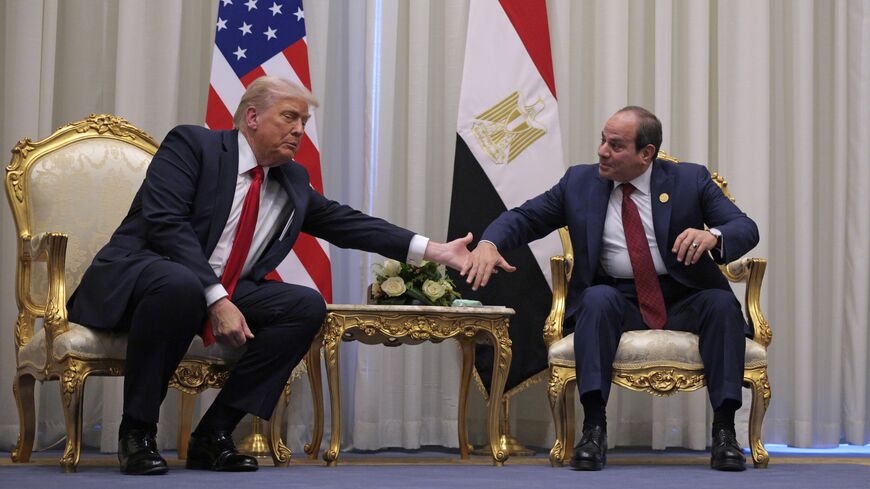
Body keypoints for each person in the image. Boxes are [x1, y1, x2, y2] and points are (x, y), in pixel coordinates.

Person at [67, 76, 471, 475]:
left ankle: (215, 434)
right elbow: (166, 225)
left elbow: (346, 223)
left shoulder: (291, 179)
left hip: (215, 290)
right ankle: (137, 432)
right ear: (253, 117)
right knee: (181, 284)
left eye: (304, 124)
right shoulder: (194, 146)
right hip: (145, 279)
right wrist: (217, 298)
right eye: (290, 118)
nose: (298, 130)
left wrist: (433, 251)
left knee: (303, 306)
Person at [462, 106, 758, 472]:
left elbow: (744, 227)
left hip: (684, 296)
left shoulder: (689, 180)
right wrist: (491, 244)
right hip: (618, 298)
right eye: (603, 140)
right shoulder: (580, 183)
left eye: (615, 145)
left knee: (721, 303)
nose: (602, 151)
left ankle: (725, 431)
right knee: (596, 299)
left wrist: (712, 235)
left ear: (645, 154)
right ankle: (593, 428)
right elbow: (525, 217)